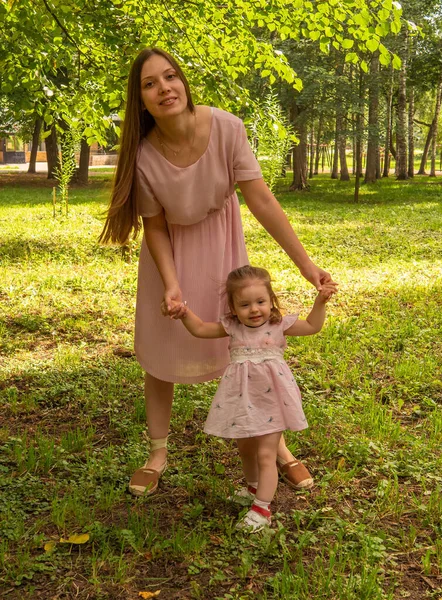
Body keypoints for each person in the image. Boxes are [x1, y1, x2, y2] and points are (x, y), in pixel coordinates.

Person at [99, 47, 337, 498]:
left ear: (184, 83)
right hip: (169, 256)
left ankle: (277, 446)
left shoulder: (227, 127)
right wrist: (171, 284)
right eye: (150, 84)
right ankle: (157, 453)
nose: (164, 88)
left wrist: (308, 268)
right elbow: (155, 227)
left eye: (170, 77)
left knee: (249, 350)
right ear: (141, 100)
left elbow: (262, 200)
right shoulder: (145, 154)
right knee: (160, 352)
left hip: (223, 245)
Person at [175, 265, 335, 531]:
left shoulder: (278, 325)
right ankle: (253, 489)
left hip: (273, 401)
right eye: (245, 304)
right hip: (241, 399)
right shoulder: (233, 327)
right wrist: (183, 313)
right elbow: (200, 329)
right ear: (233, 307)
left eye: (261, 302)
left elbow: (312, 326)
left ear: (270, 300)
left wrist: (320, 302)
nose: (254, 309)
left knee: (265, 453)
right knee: (246, 449)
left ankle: (262, 509)